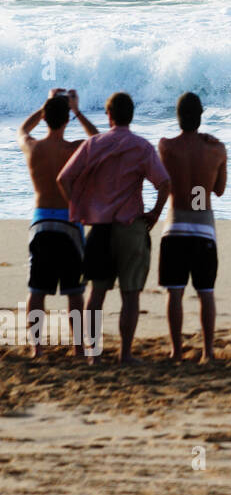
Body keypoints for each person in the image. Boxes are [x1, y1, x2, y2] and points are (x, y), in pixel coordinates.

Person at [57, 92, 171, 364]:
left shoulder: (94, 144)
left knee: (96, 294)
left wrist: (80, 208)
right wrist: (155, 213)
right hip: (131, 227)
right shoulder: (142, 147)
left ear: (108, 116)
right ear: (131, 115)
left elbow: (64, 178)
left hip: (100, 227)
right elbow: (164, 183)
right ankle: (125, 354)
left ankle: (94, 355)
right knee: (130, 294)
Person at [17, 89, 99, 356]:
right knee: (74, 292)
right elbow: (98, 139)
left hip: (41, 223)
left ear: (44, 119)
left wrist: (46, 105)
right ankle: (78, 347)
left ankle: (36, 348)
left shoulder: (33, 147)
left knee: (37, 289)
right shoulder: (74, 149)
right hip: (69, 224)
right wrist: (76, 110)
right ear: (66, 121)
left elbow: (21, 129)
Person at [157, 93, 227, 363]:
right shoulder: (217, 149)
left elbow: (163, 182)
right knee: (205, 293)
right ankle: (207, 352)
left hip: (175, 227)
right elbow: (218, 190)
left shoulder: (166, 147)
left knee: (174, 292)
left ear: (177, 116)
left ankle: (176, 350)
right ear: (201, 115)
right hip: (202, 229)